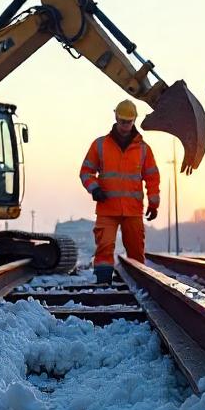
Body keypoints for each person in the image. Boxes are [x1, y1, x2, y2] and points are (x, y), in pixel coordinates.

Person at [79, 100, 160, 283]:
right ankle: (103, 283)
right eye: (122, 121)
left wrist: (154, 203)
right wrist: (95, 188)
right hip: (107, 208)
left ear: (134, 121)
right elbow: (86, 172)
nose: (125, 126)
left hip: (132, 210)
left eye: (129, 122)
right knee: (104, 247)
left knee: (136, 250)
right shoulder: (100, 145)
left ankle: (139, 283)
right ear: (116, 119)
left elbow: (152, 177)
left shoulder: (143, 150)